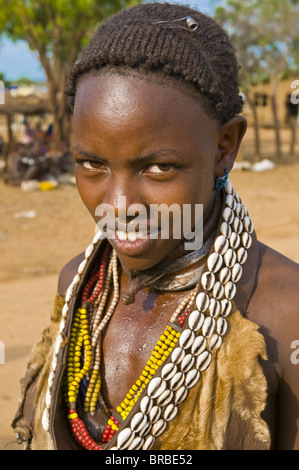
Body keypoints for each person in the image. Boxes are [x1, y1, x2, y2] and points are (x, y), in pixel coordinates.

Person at [12, 2, 299, 450]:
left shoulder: (284, 311)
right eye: (91, 164)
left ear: (225, 146)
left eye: (160, 168)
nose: (120, 206)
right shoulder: (77, 286)